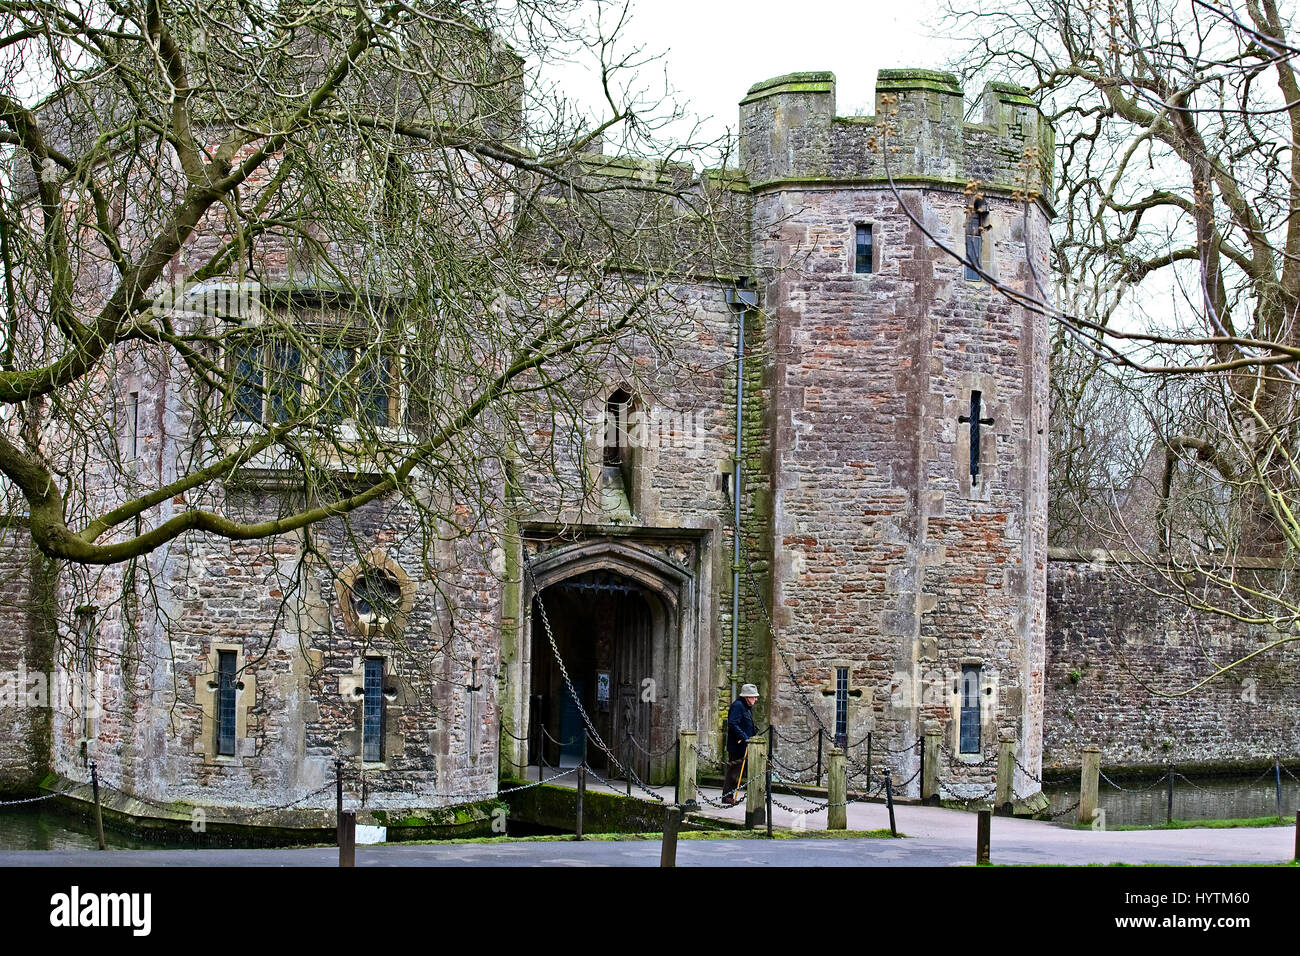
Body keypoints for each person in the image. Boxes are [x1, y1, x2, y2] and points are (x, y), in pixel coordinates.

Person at [721, 683, 759, 805]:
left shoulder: (746, 707)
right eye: (753, 697)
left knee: (742, 771)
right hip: (738, 745)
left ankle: (755, 794)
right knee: (734, 772)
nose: (756, 699)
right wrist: (744, 737)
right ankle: (727, 796)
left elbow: (744, 723)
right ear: (747, 697)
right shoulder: (738, 706)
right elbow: (733, 724)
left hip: (746, 744)